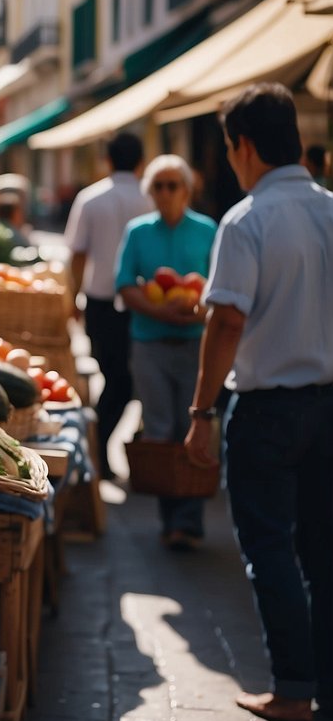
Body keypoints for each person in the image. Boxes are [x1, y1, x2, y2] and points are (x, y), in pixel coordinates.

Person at [184, 83, 333, 721]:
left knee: (269, 549)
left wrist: (201, 414)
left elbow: (225, 325)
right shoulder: (331, 210)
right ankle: (322, 681)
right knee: (324, 551)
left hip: (268, 411)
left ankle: (294, 690)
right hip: (329, 405)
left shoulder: (246, 221)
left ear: (242, 146)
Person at [114, 155, 216, 550]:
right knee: (160, 430)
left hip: (196, 345)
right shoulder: (138, 232)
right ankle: (169, 517)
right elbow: (124, 285)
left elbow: (220, 287)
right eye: (159, 185)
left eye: (174, 185)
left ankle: (188, 522)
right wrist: (159, 310)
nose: (166, 192)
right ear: (149, 192)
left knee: (191, 430)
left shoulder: (208, 230)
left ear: (187, 190)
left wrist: (198, 309)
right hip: (150, 344)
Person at [64, 132, 153, 479]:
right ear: (141, 162)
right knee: (127, 380)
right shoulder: (151, 197)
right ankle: (103, 447)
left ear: (108, 161)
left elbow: (77, 255)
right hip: (145, 303)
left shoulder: (90, 198)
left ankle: (97, 446)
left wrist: (73, 298)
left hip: (101, 304)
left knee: (114, 377)